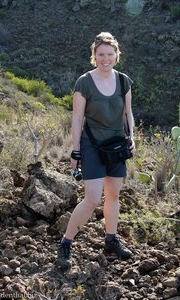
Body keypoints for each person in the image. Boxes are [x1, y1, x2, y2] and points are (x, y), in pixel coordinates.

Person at [55, 32, 136, 269]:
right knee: (91, 199)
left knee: (113, 196)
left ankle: (111, 239)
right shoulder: (84, 82)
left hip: (117, 145)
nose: (105, 58)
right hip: (92, 145)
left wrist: (132, 136)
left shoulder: (123, 81)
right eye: (101, 54)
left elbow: (127, 112)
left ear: (117, 55)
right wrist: (75, 150)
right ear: (94, 56)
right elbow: (77, 118)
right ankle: (66, 243)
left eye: (110, 54)